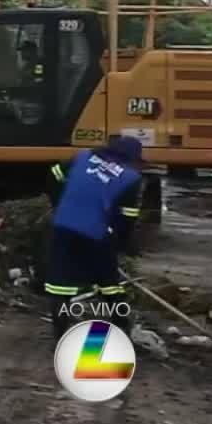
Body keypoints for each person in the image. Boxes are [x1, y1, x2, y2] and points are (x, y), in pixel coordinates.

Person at [44, 135, 144, 341]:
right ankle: (123, 330)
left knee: (60, 284)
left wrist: (60, 204)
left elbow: (53, 176)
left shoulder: (83, 157)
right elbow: (128, 217)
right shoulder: (130, 178)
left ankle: (59, 337)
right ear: (132, 158)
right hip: (96, 233)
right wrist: (120, 244)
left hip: (63, 226)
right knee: (110, 284)